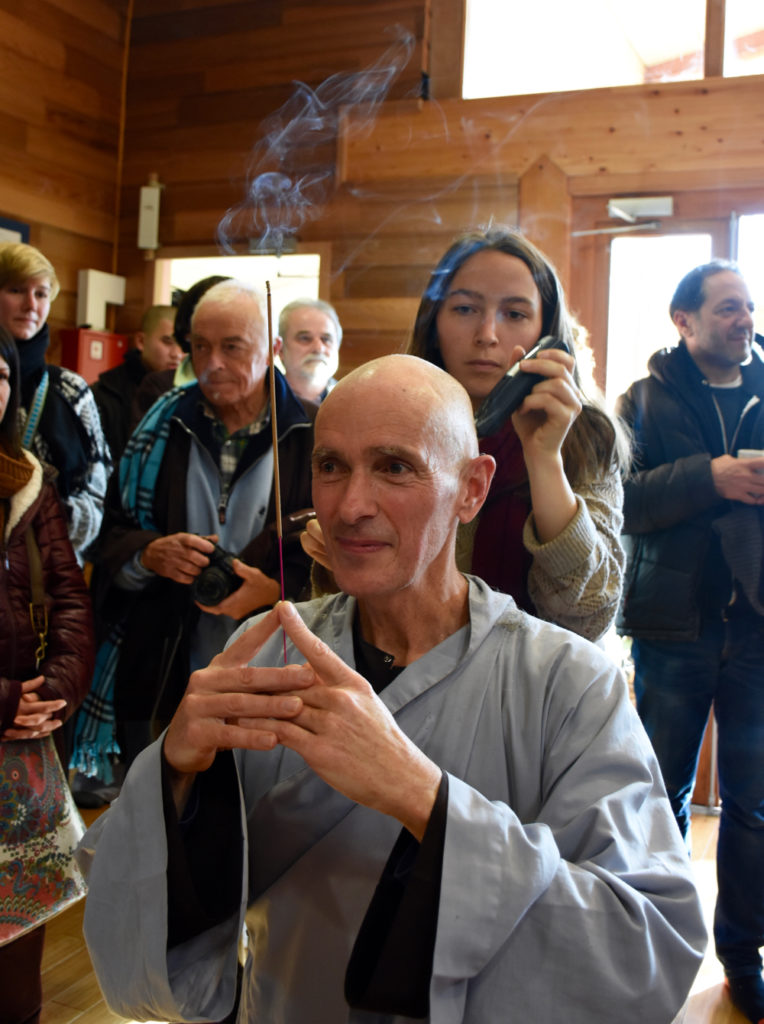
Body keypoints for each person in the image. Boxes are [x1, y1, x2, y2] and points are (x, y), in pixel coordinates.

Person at [79, 354, 705, 1024]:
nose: (350, 506)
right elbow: (148, 897)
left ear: (471, 488)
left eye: (395, 467)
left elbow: (644, 947)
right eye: (330, 466)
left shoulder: (567, 682)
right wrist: (175, 772)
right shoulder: (268, 649)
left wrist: (422, 797)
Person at [71, 279, 315, 779]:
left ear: (271, 349)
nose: (212, 362)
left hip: (277, 672)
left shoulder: (312, 433)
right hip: (165, 664)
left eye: (232, 347)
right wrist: (149, 553)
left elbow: (336, 556)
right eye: (200, 346)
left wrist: (276, 596)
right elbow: (111, 530)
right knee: (159, 809)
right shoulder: (164, 424)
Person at [616, 259, 764, 1024]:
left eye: (749, 307)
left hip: (760, 630)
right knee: (657, 794)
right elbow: (620, 505)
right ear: (685, 321)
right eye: (728, 308)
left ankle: (744, 958)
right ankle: (656, 944)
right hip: (674, 627)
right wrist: (712, 477)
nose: (744, 319)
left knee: (754, 807)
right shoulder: (642, 400)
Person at [400, 227, 626, 642]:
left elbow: (587, 613)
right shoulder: (395, 421)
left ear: (546, 334)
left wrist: (545, 458)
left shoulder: (586, 437)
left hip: (541, 686)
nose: (487, 334)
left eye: (515, 314)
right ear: (435, 324)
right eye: (465, 309)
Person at [0, 327, 95, 1024]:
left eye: (0, 374)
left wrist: (54, 689)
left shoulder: (27, 479)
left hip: (26, 739)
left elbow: (69, 594)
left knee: (15, 932)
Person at [0, 242, 111, 566]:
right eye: (17, 289)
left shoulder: (70, 389)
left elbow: (97, 491)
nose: (31, 305)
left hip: (47, 576)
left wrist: (40, 520)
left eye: (42, 294)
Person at [92, 303, 181, 462]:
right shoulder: (104, 393)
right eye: (167, 342)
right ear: (140, 341)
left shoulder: (186, 393)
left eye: (182, 344)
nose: (177, 354)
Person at [275, 297, 342, 404]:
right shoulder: (259, 402)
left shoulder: (353, 401)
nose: (318, 348)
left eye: (326, 339)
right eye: (305, 338)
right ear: (281, 349)